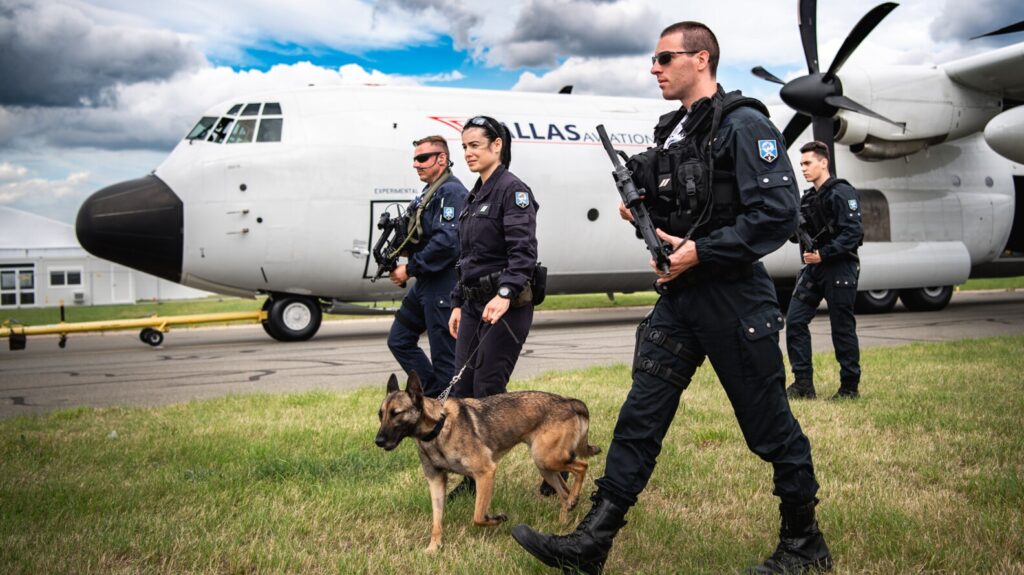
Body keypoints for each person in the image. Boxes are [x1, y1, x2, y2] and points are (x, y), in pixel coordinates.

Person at [512, 22, 832, 575]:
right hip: (680, 299)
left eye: (664, 58)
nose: (653, 68)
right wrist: (648, 219)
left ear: (701, 59)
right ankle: (592, 543)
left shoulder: (744, 124)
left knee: (770, 427)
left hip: (734, 298)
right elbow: (684, 206)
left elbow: (779, 215)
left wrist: (701, 252)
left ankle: (805, 545)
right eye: (653, 59)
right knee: (640, 418)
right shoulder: (675, 133)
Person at [444, 115, 540, 499]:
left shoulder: (512, 191)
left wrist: (504, 295)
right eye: (464, 146)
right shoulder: (474, 195)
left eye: (474, 146)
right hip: (471, 306)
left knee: (488, 392)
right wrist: (455, 303)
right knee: (463, 391)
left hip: (506, 307)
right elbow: (466, 258)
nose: (467, 153)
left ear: (497, 145)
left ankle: (488, 472)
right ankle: (471, 474)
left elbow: (524, 253)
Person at [386, 135, 468, 398]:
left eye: (422, 158)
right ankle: (433, 395)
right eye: (415, 159)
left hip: (443, 285)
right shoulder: (427, 194)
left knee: (446, 361)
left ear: (441, 159)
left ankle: (448, 417)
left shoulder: (451, 192)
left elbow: (448, 242)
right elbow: (425, 235)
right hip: (425, 283)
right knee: (399, 339)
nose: (416, 164)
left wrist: (409, 269)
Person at [785, 141, 863, 400]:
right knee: (795, 321)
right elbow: (798, 236)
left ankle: (849, 388)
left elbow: (854, 233)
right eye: (802, 164)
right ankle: (803, 385)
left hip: (839, 267)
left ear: (823, 163)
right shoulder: (808, 198)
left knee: (842, 328)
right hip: (814, 269)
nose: (804, 169)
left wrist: (823, 254)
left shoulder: (842, 193)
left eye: (807, 163)